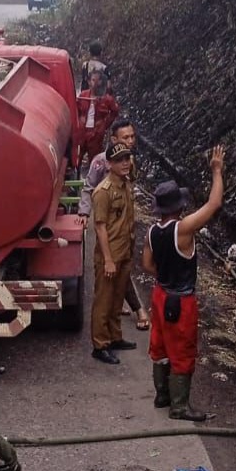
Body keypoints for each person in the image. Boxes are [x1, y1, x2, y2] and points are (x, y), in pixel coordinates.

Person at [142, 145, 225, 421]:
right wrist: (216, 171)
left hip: (160, 294)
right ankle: (179, 406)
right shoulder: (184, 229)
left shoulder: (152, 232)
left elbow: (146, 265)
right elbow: (213, 205)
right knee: (183, 350)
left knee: (160, 345)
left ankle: (162, 394)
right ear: (178, 207)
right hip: (181, 300)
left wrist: (163, 275)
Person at [77, 119, 151, 331]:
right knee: (113, 268)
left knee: (122, 269)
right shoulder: (102, 162)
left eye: (132, 137)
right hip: (109, 228)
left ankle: (116, 314)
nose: (130, 141)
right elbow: (89, 187)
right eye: (125, 137)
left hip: (125, 227)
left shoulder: (130, 161)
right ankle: (138, 310)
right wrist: (84, 212)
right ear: (114, 140)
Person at [90, 142, 138, 364]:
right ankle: (100, 344)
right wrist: (108, 260)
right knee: (104, 300)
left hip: (124, 251)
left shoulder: (125, 184)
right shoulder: (104, 191)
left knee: (118, 298)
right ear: (109, 164)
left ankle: (115, 337)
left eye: (127, 158)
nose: (125, 163)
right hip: (109, 255)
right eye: (120, 160)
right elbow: (100, 227)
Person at [77, 71, 119, 166]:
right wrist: (79, 122)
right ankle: (77, 176)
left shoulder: (106, 98)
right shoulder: (83, 95)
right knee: (77, 158)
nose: (95, 83)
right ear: (88, 81)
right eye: (93, 80)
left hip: (96, 133)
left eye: (98, 80)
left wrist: (105, 124)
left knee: (95, 160)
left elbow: (115, 111)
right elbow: (76, 109)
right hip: (82, 131)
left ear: (101, 82)